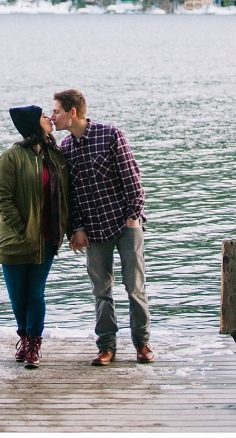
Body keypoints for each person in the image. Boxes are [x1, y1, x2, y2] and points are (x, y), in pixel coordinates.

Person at [52, 88, 154, 367]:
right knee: (101, 291)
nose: (53, 117)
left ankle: (142, 344)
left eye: (57, 111)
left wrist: (133, 216)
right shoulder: (65, 149)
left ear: (72, 113)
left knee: (134, 287)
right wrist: (77, 228)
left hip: (125, 224)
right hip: (93, 230)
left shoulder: (110, 135)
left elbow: (132, 177)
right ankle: (106, 347)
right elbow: (69, 194)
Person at [0, 105, 70, 369]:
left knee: (36, 293)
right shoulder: (12, 157)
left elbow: (66, 198)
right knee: (18, 296)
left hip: (47, 239)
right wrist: (22, 228)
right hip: (16, 241)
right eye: (43, 116)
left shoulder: (56, 156)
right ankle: (24, 337)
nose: (49, 118)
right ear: (33, 125)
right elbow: (3, 199)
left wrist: (70, 229)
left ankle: (33, 344)